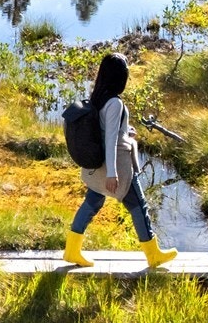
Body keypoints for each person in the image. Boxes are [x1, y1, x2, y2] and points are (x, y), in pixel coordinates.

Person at [63, 52, 178, 269]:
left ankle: (71, 250)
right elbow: (111, 138)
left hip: (97, 164)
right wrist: (112, 173)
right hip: (116, 166)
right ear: (120, 77)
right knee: (139, 206)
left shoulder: (98, 96)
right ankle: (153, 255)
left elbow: (107, 129)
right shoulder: (115, 102)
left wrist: (127, 130)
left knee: (92, 203)